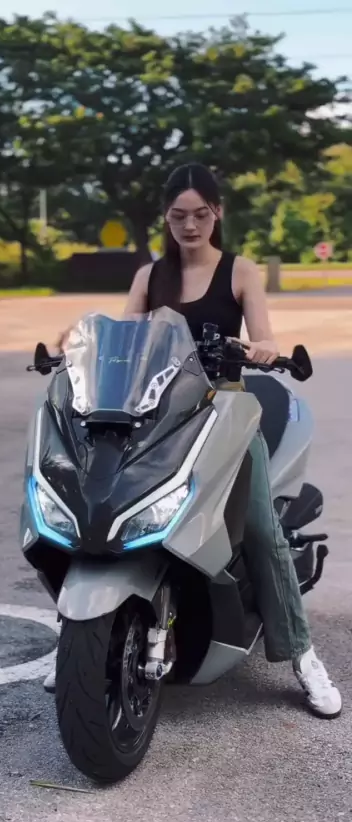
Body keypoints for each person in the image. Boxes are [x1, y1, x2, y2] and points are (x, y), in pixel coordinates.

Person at [43, 162, 342, 719]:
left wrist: (262, 348)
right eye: (179, 215)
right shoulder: (149, 276)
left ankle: (302, 654)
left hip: (223, 411)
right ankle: (81, 638)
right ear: (166, 217)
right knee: (93, 503)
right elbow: (124, 339)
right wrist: (79, 344)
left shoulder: (240, 271)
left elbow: (264, 336)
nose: (189, 225)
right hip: (158, 414)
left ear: (217, 213)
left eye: (200, 214)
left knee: (261, 530)